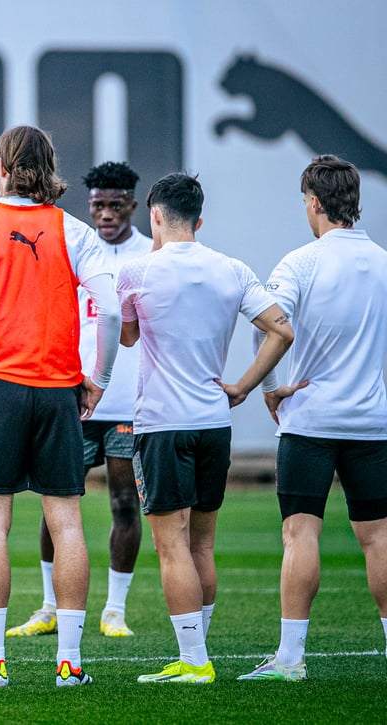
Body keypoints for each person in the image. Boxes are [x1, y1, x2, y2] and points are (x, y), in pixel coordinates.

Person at [0, 125, 120, 687]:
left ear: (0, 166)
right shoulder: (75, 230)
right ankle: (71, 663)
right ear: (49, 168)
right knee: (66, 524)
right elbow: (110, 313)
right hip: (58, 388)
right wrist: (99, 379)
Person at [117, 172, 292, 684]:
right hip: (215, 421)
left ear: (154, 215)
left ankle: (194, 661)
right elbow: (281, 329)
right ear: (199, 219)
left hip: (162, 425)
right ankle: (198, 652)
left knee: (172, 546)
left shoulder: (136, 271)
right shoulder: (232, 269)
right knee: (202, 546)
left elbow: (127, 339)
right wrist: (242, 387)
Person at [238, 156, 387, 681]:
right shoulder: (384, 261)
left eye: (305, 200)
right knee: (379, 538)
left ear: (316, 203)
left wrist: (265, 386)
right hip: (372, 424)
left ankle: (291, 659)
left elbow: (270, 325)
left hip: (309, 423)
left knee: (301, 534)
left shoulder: (300, 262)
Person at [7, 161, 149, 639]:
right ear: (88, 206)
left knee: (125, 501)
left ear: (133, 205)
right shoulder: (70, 246)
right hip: (71, 396)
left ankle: (115, 610)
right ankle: (49, 606)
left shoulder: (149, 256)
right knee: (57, 501)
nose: (106, 214)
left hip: (127, 403)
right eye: (98, 205)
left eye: (115, 205)